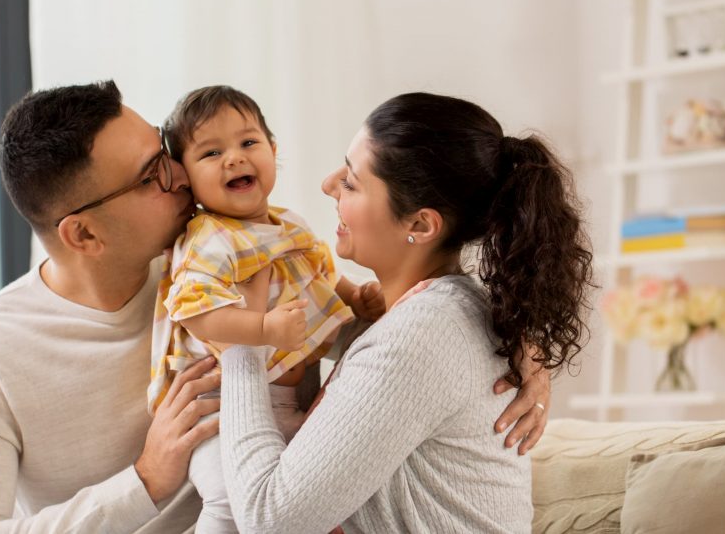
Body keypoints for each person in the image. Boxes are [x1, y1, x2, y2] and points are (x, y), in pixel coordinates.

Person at [0, 81, 554, 534]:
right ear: (83, 235)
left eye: (169, 156)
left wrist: (516, 337)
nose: (183, 179)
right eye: (152, 177)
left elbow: (413, 329)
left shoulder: (227, 262)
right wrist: (144, 483)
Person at [218, 92, 593, 533]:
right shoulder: (434, 314)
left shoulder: (421, 334)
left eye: (352, 183)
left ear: (420, 225)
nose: (327, 184)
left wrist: (239, 342)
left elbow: (270, 520)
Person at [148, 86, 386, 533]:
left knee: (313, 499)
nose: (234, 158)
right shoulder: (208, 239)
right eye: (211, 153)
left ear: (273, 151)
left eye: (248, 143)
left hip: (290, 399)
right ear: (187, 180)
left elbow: (319, 276)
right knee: (227, 503)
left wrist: (355, 297)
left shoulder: (289, 223)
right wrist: (260, 327)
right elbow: (195, 313)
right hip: (216, 412)